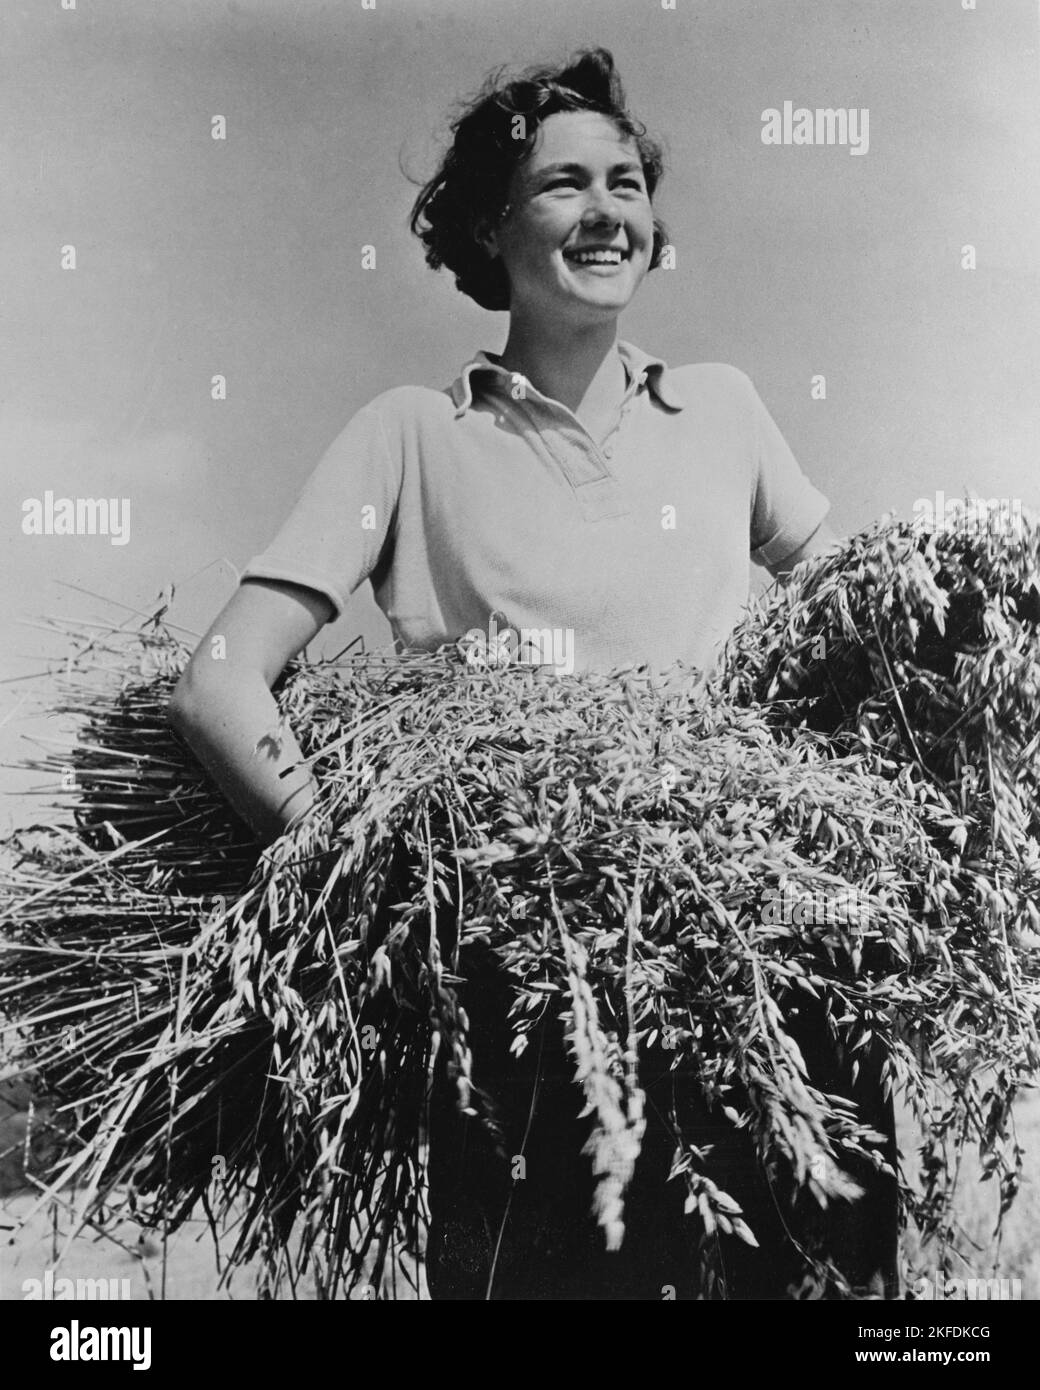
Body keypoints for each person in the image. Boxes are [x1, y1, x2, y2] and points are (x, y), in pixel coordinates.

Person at [169, 47, 897, 1299]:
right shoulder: (408, 435)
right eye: (563, 185)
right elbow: (218, 684)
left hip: (771, 986)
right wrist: (365, 867)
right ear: (488, 228)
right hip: (526, 1010)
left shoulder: (721, 411)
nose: (607, 208)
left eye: (626, 179)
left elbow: (869, 637)